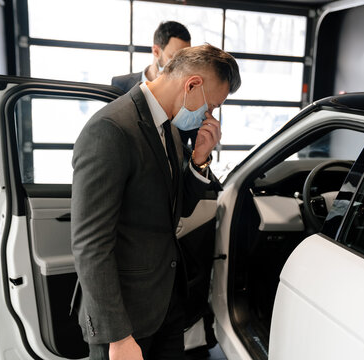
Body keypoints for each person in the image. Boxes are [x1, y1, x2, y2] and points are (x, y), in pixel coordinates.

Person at [71, 44, 241, 360]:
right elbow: (90, 244)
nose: (209, 116)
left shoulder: (169, 128)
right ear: (192, 85)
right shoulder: (111, 129)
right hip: (126, 318)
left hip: (165, 305)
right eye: (212, 106)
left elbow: (175, 209)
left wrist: (200, 160)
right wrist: (118, 337)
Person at [112, 21, 197, 148]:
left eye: (185, 59)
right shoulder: (120, 85)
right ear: (156, 51)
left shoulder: (189, 92)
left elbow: (196, 149)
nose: (181, 66)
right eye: (174, 57)